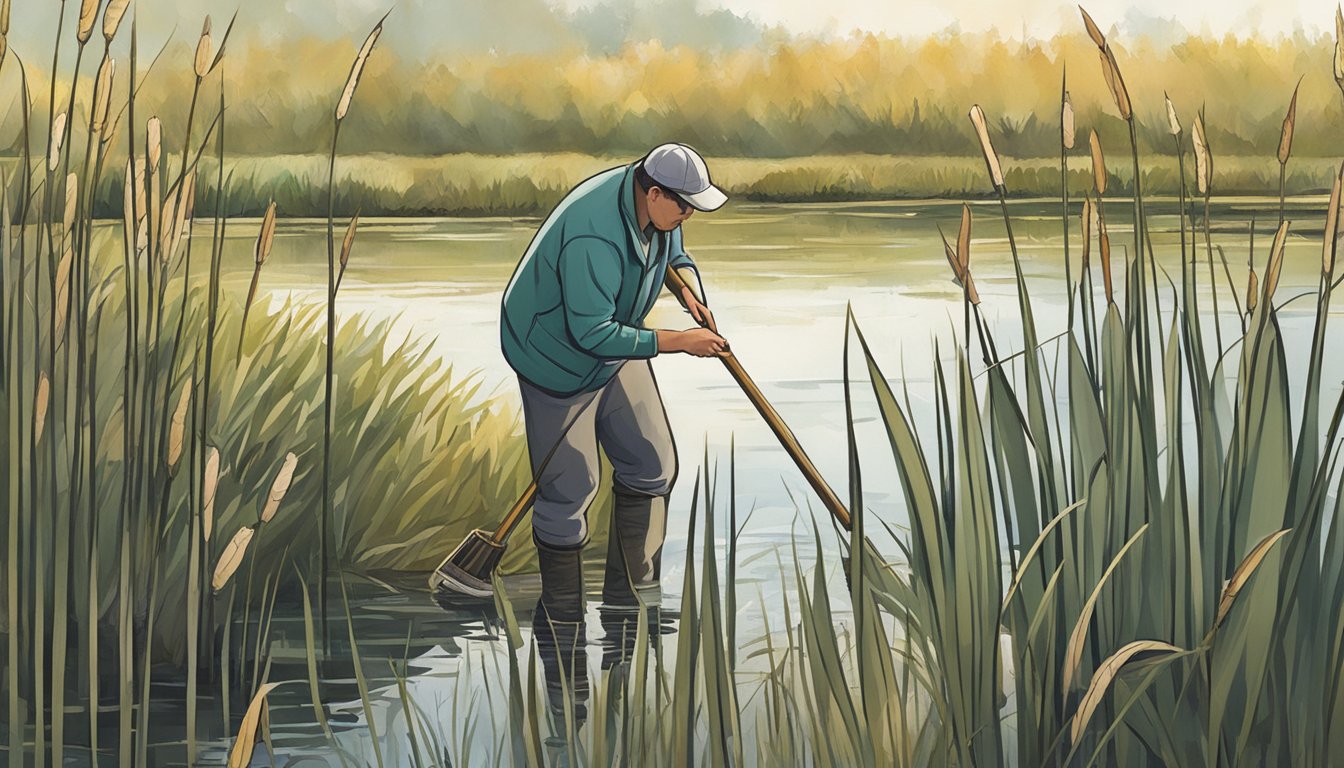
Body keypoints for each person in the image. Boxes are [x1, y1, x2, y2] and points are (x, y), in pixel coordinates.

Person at [499, 142, 728, 726]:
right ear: (654, 194)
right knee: (570, 490)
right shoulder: (594, 235)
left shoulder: (658, 212)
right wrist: (679, 341)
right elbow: (591, 332)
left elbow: (675, 250)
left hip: (611, 338)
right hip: (555, 353)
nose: (689, 217)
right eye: (685, 207)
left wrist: (688, 291)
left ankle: (634, 603)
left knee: (654, 462)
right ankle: (565, 633)